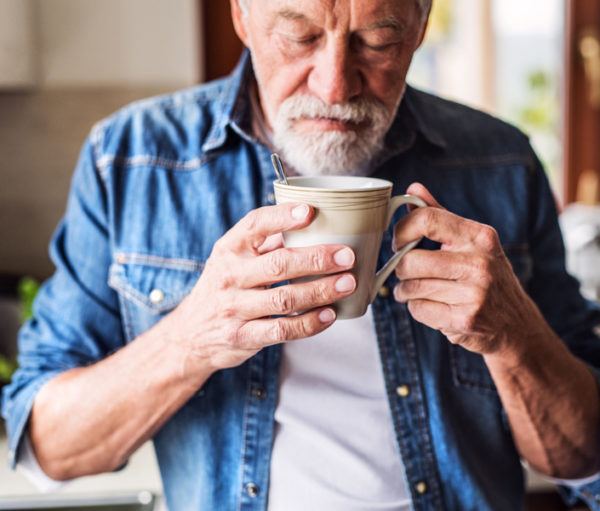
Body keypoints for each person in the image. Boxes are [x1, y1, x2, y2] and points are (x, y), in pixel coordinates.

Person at [3, 0, 600, 509]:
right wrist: (191, 339)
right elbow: (49, 448)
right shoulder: (132, 160)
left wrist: (513, 336)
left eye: (378, 39)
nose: (335, 85)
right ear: (241, 14)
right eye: (299, 36)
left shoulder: (501, 162)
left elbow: (583, 456)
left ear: (419, 27)